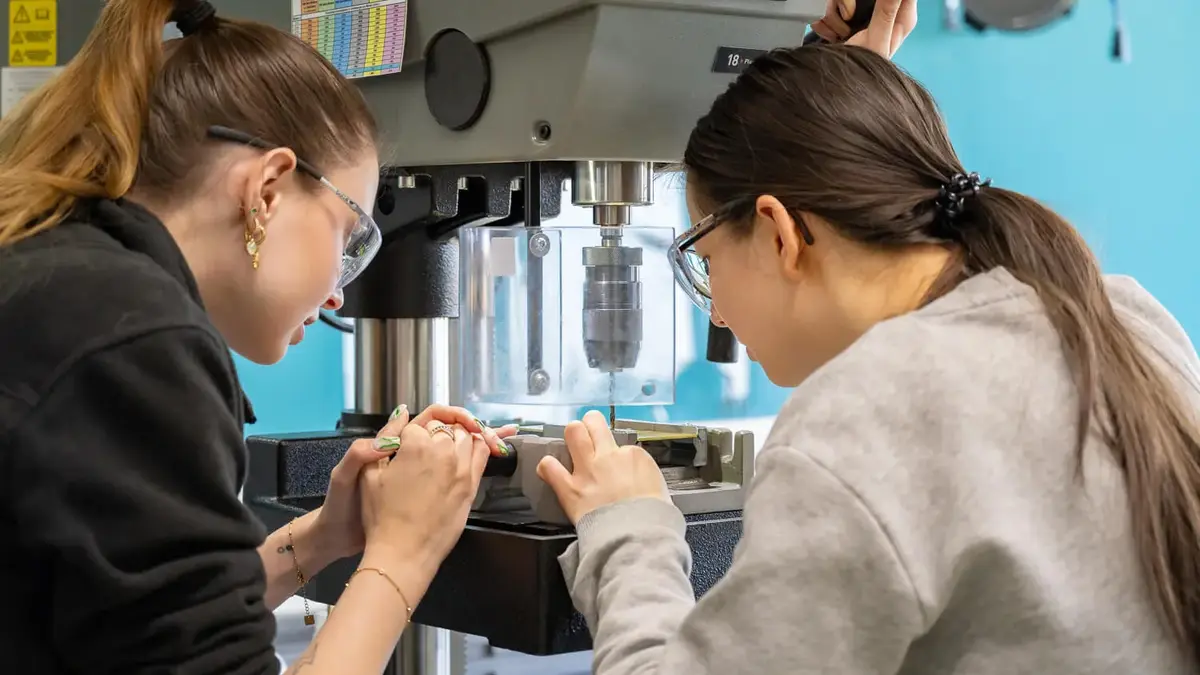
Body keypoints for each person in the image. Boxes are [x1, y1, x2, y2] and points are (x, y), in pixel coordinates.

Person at [536, 0, 1200, 673]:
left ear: (777, 232)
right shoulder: (1125, 319)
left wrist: (628, 529)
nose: (719, 315)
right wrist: (841, 107)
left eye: (706, 262)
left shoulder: (862, 419)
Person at [0, 1, 516, 673]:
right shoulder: (131, 340)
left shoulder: (66, 285)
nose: (338, 291)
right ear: (268, 188)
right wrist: (404, 550)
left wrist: (322, 537)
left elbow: (136, 616)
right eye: (349, 235)